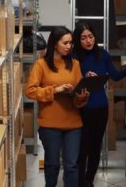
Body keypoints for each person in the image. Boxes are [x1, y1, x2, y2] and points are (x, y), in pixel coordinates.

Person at [72, 22, 126, 187]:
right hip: (83, 108)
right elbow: (70, 82)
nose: (88, 41)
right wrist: (84, 77)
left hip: (101, 108)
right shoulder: (74, 58)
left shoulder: (103, 55)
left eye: (91, 37)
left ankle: (89, 181)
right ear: (77, 40)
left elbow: (115, 76)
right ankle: (80, 182)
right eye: (83, 38)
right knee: (82, 149)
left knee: (96, 147)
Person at [25, 26, 90, 187]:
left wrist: (82, 97)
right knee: (52, 164)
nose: (69, 46)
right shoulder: (41, 65)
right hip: (50, 124)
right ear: (55, 44)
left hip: (73, 123)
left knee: (72, 166)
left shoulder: (75, 65)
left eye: (71, 43)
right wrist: (55, 90)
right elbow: (30, 91)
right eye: (65, 43)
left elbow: (77, 96)